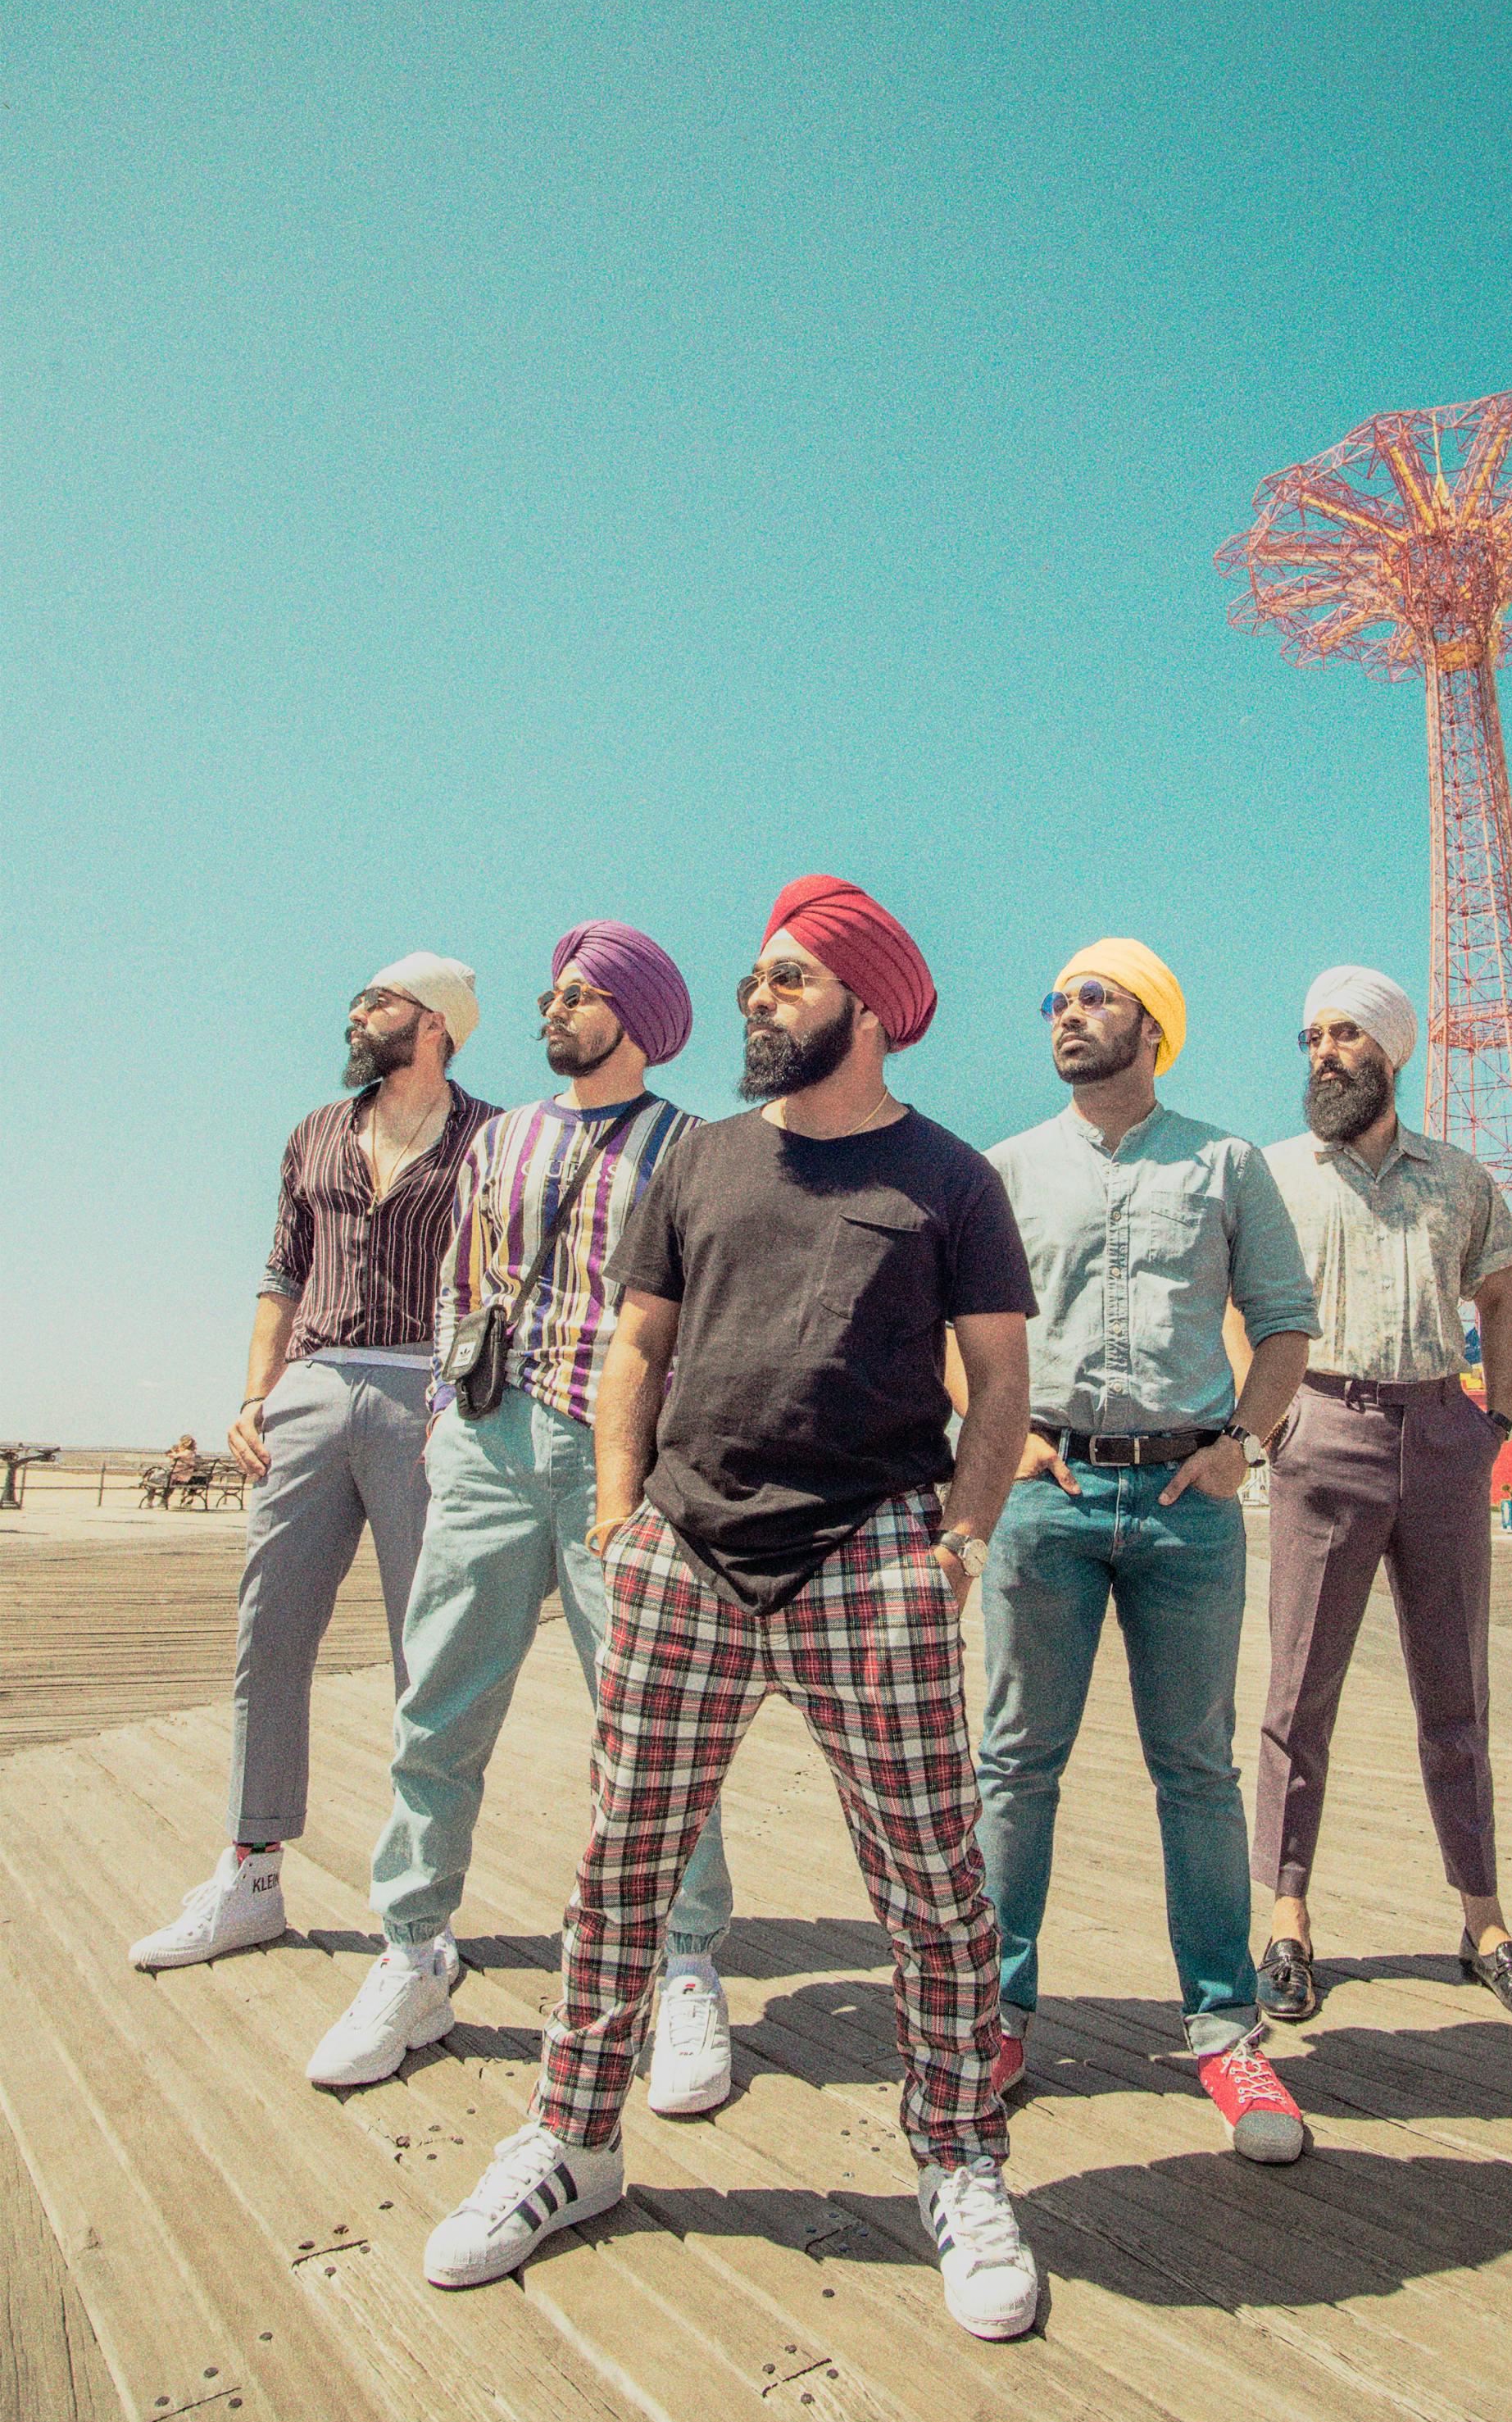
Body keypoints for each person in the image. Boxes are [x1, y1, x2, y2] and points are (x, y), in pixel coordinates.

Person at [422, 876, 1043, 2342]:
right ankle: (574, 2142)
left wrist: (956, 1544)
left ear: (870, 1006)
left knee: (933, 1884)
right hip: (687, 1557)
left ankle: (956, 2156)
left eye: (785, 981)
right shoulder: (697, 1161)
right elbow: (639, 1343)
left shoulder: (951, 1180)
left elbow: (1001, 1380)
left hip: (868, 1559)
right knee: (620, 1868)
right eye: (755, 983)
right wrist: (617, 1525)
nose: (756, 1001)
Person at [306, 924, 736, 2107]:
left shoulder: (695, 1149)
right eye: (554, 990)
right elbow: (463, 1280)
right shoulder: (498, 1137)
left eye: (583, 993)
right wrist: (447, 1414)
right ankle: (412, 1954)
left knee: (652, 1724)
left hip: (629, 1469)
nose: (557, 1006)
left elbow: (708, 1312)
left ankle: (687, 1961)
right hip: (492, 1443)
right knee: (439, 1702)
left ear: (638, 1017)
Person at [973, 939, 1319, 2164]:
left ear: (1153, 1025)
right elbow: (945, 1325)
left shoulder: (1227, 1163)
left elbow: (1284, 1324)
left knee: (1198, 1772)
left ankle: (1225, 2033)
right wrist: (1004, 1449)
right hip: (1048, 1500)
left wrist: (1239, 1444)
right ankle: (994, 2017)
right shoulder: (1004, 1169)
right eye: (1057, 998)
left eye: (1095, 997)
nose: (1068, 1015)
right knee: (1014, 1764)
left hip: (1187, 1503)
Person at [129, 955, 497, 1973]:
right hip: (309, 1387)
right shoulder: (313, 1134)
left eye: (377, 1002)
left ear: (437, 1023)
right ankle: (249, 1873)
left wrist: (457, 1400)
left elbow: (500, 1281)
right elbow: (281, 1270)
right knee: (268, 1633)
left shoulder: (490, 1139)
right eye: (357, 1000)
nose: (355, 1013)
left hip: (427, 1394)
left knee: (431, 1657)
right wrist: (256, 1396)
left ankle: (423, 1916)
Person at [1251, 966, 1512, 2029]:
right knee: (1299, 1693)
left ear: (1392, 1052)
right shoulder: (1277, 1176)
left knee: (1456, 1694)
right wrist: (1273, 1421)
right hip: (1323, 1430)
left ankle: (1484, 1921)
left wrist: (1493, 1423)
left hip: (1440, 1432)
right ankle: (1287, 1920)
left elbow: (1503, 1298)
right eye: (1312, 1036)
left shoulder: (1461, 1178)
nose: (1324, 1053)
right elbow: (1232, 1298)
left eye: (1345, 1034)